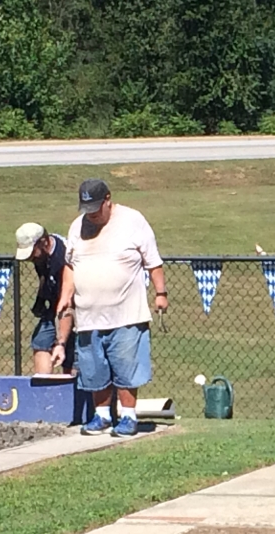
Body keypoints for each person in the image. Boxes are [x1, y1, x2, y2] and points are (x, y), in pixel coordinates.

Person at [52, 178, 169, 437]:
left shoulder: (132, 220)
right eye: (87, 209)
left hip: (126, 314)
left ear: (108, 200)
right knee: (94, 370)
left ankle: (128, 416)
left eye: (95, 208)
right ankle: (102, 416)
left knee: (126, 368)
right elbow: (70, 265)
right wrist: (66, 296)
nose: (91, 214)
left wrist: (161, 293)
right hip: (88, 316)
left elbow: (153, 261)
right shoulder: (77, 226)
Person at [15, 222, 74, 374]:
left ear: (44, 242)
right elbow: (45, 276)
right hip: (54, 306)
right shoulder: (41, 256)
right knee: (41, 340)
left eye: (32, 253)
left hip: (75, 308)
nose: (30, 258)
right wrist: (41, 299)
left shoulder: (63, 257)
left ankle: (72, 384)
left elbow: (67, 301)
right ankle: (44, 385)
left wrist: (61, 339)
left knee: (72, 353)